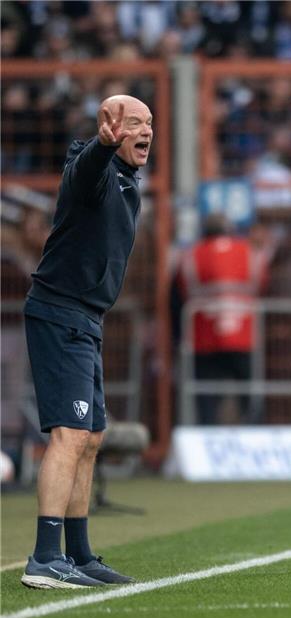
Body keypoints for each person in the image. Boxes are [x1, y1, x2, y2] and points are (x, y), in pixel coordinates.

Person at [20, 95, 152, 588]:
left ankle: (77, 555)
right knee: (69, 435)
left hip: (87, 318)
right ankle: (43, 557)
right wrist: (101, 146)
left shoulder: (124, 183)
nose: (147, 131)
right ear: (109, 127)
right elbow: (86, 169)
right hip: (60, 313)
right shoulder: (89, 169)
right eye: (135, 122)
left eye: (150, 123)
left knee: (92, 438)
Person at [172, 214, 268, 425]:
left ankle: (206, 436)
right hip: (244, 335)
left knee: (205, 396)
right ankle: (255, 432)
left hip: (203, 335)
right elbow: (261, 282)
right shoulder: (249, 252)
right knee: (250, 394)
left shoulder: (191, 256)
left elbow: (181, 288)